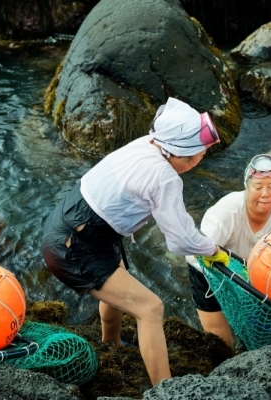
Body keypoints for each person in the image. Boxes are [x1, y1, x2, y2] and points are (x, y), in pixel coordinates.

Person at [41, 97, 230, 386]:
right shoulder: (164, 177)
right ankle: (165, 389)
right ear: (181, 153)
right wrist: (213, 250)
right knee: (150, 308)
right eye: (197, 155)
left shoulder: (148, 143)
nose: (198, 160)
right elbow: (180, 240)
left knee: (120, 281)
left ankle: (111, 345)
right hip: (74, 245)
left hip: (75, 221)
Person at [186, 154, 271, 347]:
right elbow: (192, 253)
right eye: (258, 187)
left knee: (263, 331)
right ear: (246, 188)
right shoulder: (227, 211)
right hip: (213, 271)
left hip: (258, 275)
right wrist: (234, 272)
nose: (265, 194)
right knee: (220, 342)